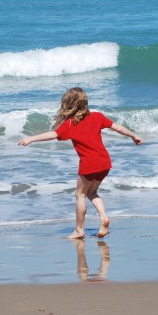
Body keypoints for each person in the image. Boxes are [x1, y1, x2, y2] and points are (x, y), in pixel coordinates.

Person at [18, 87, 141, 239]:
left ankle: (79, 230)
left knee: (80, 194)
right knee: (92, 192)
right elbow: (118, 128)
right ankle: (104, 217)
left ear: (69, 105)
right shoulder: (97, 117)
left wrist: (30, 139)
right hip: (104, 162)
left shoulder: (70, 124)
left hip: (89, 164)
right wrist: (133, 136)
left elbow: (52, 134)